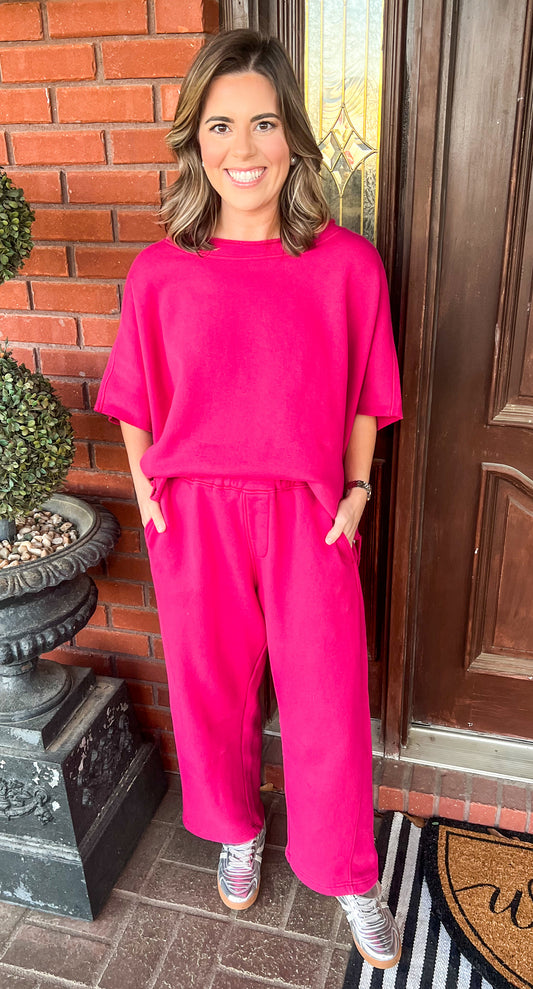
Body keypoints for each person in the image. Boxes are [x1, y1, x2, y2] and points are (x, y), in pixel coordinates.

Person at [95, 29, 402, 970]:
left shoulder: (347, 266)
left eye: (263, 123)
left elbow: (366, 394)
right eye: (220, 125)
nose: (244, 148)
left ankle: (346, 870)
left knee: (327, 699)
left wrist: (356, 490)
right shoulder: (161, 272)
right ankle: (237, 829)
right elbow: (133, 398)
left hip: (309, 512)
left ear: (292, 137)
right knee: (210, 690)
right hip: (196, 512)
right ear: (196, 143)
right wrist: (148, 491)